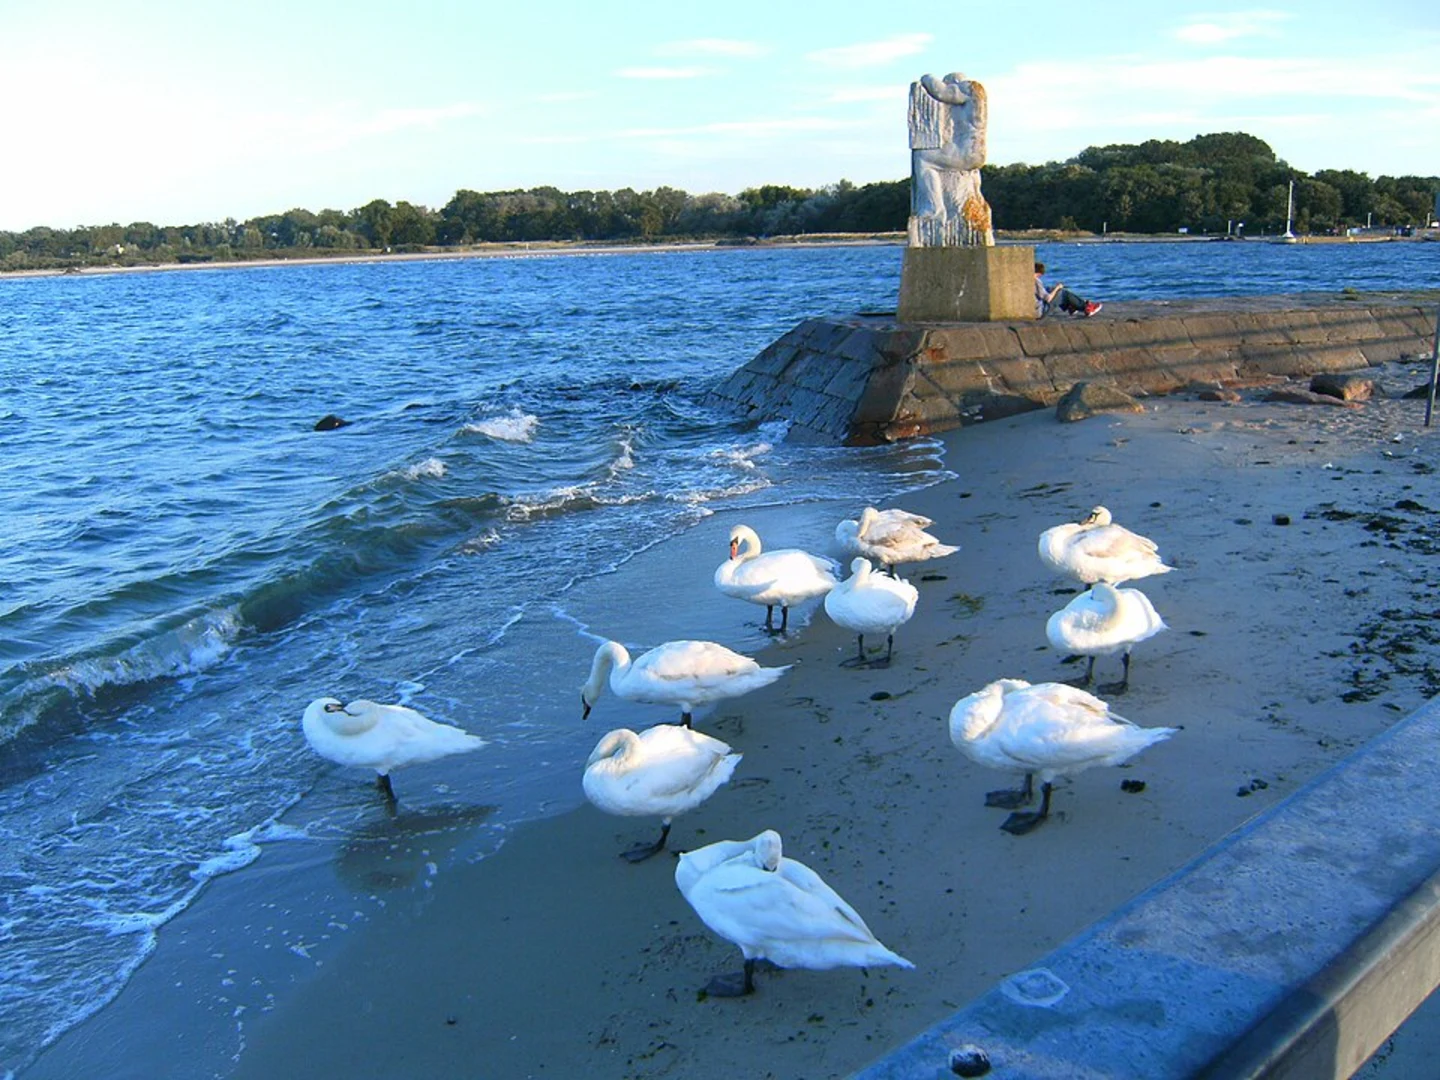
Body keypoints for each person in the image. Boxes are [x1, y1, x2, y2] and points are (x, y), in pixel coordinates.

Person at [1034, 262, 1102, 318]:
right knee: (1063, 293)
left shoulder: (1027, 280)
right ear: (1039, 273)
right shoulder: (1036, 281)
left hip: (1036, 309)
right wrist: (1057, 288)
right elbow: (1048, 298)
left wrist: (1053, 289)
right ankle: (1086, 307)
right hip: (1041, 311)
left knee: (1050, 289)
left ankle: (1071, 305)